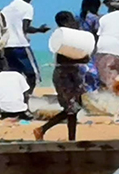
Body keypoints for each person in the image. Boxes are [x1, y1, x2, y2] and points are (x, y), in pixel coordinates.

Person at [35, 11, 95, 141]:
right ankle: (47, 131)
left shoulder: (71, 38)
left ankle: (68, 137)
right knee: (71, 109)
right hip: (64, 76)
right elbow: (69, 59)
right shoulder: (63, 41)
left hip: (73, 74)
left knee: (74, 108)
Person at [2, 0, 50, 93]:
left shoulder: (5, 9)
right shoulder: (27, 7)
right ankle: (27, 95)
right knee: (33, 74)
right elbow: (25, 28)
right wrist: (39, 30)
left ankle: (16, 95)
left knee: (14, 74)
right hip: (20, 44)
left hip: (7, 46)